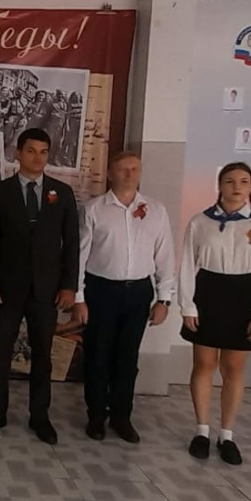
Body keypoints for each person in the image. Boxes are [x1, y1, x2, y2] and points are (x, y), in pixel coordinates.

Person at [0, 128, 79, 444]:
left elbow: (72, 244)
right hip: (7, 290)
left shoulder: (62, 193)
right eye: (31, 151)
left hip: (47, 291)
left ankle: (40, 417)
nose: (37, 157)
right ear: (18, 153)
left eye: (43, 152)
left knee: (43, 357)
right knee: (1, 355)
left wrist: (69, 286)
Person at [179, 162, 251, 465]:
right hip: (208, 291)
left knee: (234, 367)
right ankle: (201, 430)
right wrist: (187, 304)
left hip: (242, 294)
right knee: (203, 363)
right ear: (219, 185)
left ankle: (227, 435)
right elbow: (187, 264)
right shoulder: (200, 222)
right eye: (230, 181)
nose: (237, 187)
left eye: (244, 181)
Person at [71, 152, 175, 443]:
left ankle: (122, 415)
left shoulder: (156, 210)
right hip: (101, 290)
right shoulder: (93, 210)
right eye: (123, 169)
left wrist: (164, 299)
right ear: (109, 174)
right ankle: (96, 415)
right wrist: (79, 297)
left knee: (127, 357)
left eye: (135, 169)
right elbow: (79, 256)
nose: (129, 174)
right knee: (98, 355)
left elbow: (165, 256)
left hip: (138, 292)